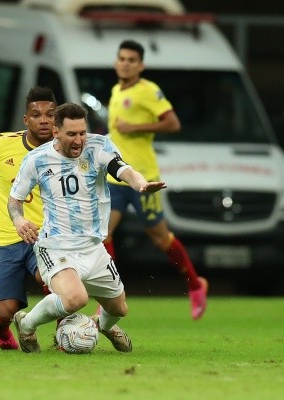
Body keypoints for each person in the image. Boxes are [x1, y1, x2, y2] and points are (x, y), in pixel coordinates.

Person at [9, 103, 167, 353]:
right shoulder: (36, 160)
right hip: (55, 246)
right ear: (56, 133)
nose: (79, 140)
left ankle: (101, 326)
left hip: (93, 248)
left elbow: (121, 168)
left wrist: (139, 183)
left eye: (82, 132)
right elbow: (14, 200)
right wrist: (19, 220)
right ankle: (27, 325)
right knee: (76, 299)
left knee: (119, 309)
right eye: (71, 134)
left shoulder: (98, 146)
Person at [103, 39, 208, 320]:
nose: (125, 63)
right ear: (116, 62)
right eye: (121, 58)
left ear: (141, 65)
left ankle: (196, 285)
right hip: (117, 178)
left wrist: (135, 127)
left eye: (131, 59)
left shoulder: (148, 91)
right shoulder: (115, 90)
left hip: (145, 179)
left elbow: (173, 123)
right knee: (103, 234)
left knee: (160, 238)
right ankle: (110, 295)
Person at [0, 87, 57, 350]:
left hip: (47, 237)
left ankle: (65, 336)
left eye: (50, 115)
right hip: (4, 236)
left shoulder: (68, 151)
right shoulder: (1, 144)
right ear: (25, 120)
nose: (44, 119)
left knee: (55, 283)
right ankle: (2, 329)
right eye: (36, 114)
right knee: (4, 310)